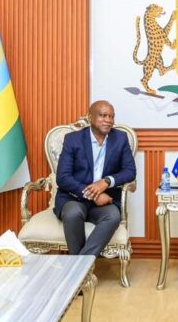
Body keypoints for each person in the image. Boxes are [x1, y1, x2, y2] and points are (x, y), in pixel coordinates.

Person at [55, 100, 136, 256]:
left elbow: (130, 171)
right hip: (74, 198)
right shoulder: (73, 139)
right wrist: (93, 195)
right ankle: (82, 266)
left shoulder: (120, 138)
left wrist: (106, 182)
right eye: (103, 115)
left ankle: (79, 265)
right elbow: (63, 177)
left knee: (113, 217)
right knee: (72, 214)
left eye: (111, 116)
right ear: (90, 117)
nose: (108, 120)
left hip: (106, 200)